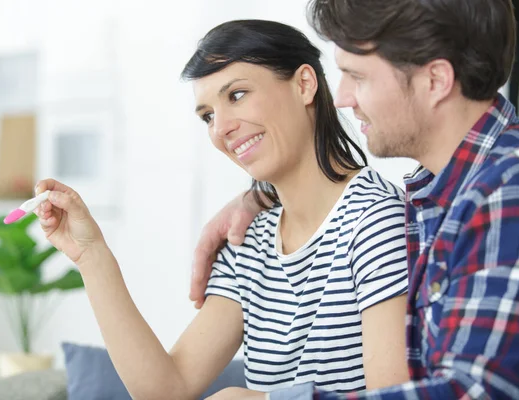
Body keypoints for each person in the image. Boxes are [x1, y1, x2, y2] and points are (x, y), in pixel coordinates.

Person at [33, 19, 411, 400]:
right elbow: (166, 389)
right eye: (207, 116)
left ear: (304, 84)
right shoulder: (249, 240)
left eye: (237, 94)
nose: (221, 128)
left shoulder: (376, 222)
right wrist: (92, 255)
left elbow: (395, 397)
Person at [191, 1, 519, 399]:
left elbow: (475, 393)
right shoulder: (442, 192)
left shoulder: (511, 190)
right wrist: (261, 194)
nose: (342, 98)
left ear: (435, 80)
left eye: (358, 77)